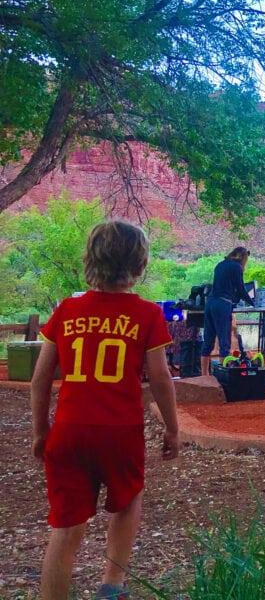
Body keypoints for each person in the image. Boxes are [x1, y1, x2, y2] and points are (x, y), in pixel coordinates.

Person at [30, 220, 180, 600]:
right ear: (141, 265)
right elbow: (160, 378)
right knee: (127, 501)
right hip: (120, 431)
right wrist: (172, 428)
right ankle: (112, 586)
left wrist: (40, 430)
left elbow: (40, 379)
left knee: (65, 528)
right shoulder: (146, 314)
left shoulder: (66, 310)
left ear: (89, 260)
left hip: (69, 430)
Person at [200, 247, 256, 376]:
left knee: (208, 341)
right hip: (222, 304)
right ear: (243, 258)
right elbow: (241, 289)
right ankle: (222, 376)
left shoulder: (220, 265)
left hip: (210, 303)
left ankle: (204, 376)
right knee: (224, 342)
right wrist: (253, 302)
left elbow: (225, 286)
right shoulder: (236, 267)